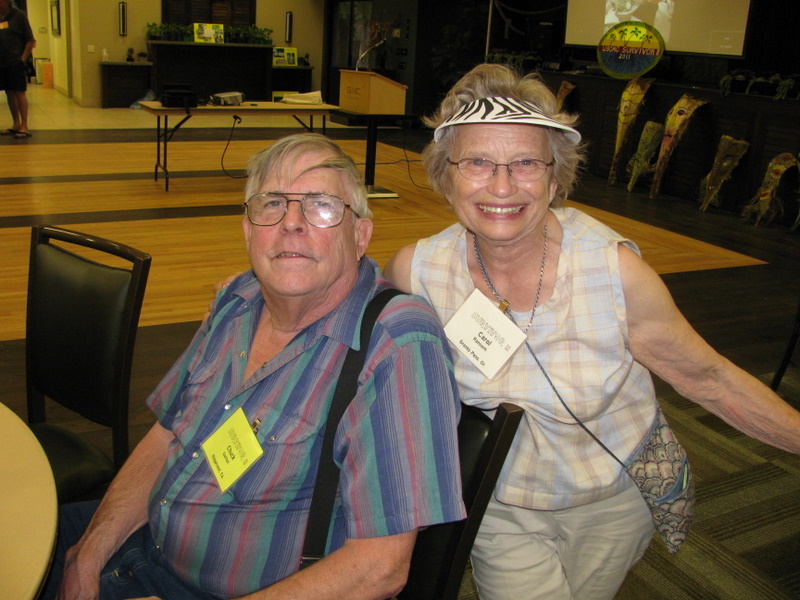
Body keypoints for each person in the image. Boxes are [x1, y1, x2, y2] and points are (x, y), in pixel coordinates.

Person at [382, 63, 800, 600]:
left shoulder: (613, 270)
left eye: (526, 163)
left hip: (613, 497)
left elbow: (709, 380)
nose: (502, 185)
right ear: (447, 177)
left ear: (555, 178)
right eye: (478, 162)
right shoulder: (418, 272)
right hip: (497, 500)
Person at [44, 133, 465, 600]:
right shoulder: (237, 299)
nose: (292, 223)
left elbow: (380, 568)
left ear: (360, 235)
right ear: (248, 230)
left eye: (321, 205)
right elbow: (166, 435)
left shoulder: (396, 342)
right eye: (272, 204)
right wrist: (88, 553)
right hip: (139, 539)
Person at [0, 0, 35, 138]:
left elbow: (30, 40)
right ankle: (16, 124)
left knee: (19, 92)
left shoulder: (19, 15)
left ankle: (25, 126)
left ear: (7, 2)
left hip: (15, 61)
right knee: (9, 92)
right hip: (1, 62)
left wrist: (23, 58)